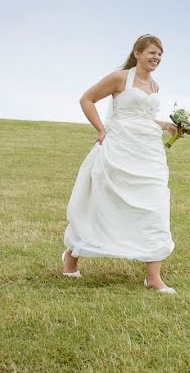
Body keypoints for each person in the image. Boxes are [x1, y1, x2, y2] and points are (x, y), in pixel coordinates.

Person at [61, 34, 182, 294]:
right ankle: (71, 257)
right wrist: (101, 129)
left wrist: (166, 125)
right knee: (104, 204)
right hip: (119, 149)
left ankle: (153, 277)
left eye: (160, 55)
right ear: (137, 53)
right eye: (152, 52)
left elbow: (144, 117)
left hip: (148, 152)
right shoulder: (119, 78)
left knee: (155, 205)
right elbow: (87, 99)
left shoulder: (155, 85)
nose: (156, 58)